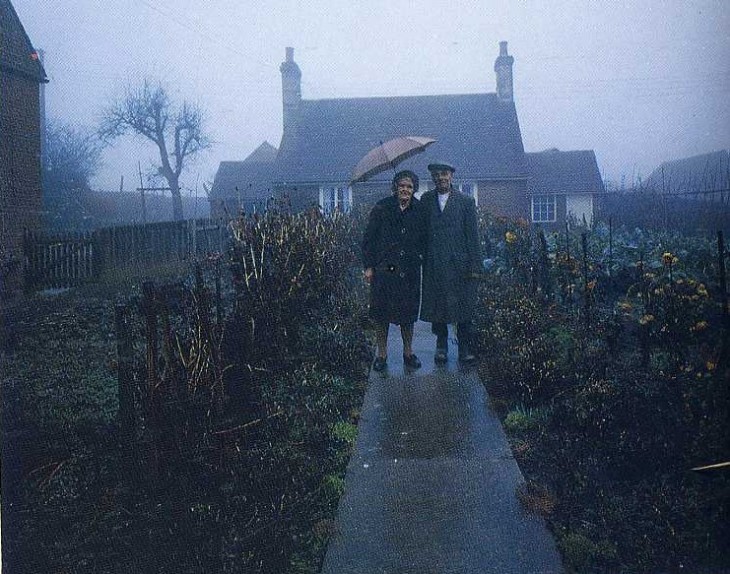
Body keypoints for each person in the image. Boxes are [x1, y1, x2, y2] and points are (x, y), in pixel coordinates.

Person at [362, 170, 428, 372]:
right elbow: (369, 239)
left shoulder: (420, 210)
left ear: (414, 189)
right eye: (402, 185)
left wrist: (420, 257)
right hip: (385, 269)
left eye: (409, 186)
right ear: (395, 187)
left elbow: (425, 240)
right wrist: (368, 267)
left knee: (408, 314)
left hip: (409, 272)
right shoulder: (382, 207)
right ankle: (382, 355)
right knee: (381, 313)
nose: (405, 189)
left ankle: (408, 353)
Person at [420, 161, 482, 364]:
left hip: (460, 265)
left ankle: (464, 348)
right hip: (435, 263)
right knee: (438, 306)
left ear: (452, 176)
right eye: (436, 175)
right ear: (432, 178)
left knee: (463, 307)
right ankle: (441, 345)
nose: (441, 178)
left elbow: (473, 236)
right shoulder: (426, 200)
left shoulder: (466, 202)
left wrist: (474, 266)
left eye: (444, 174)